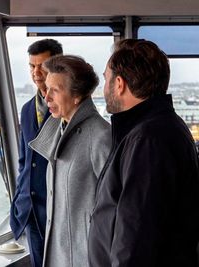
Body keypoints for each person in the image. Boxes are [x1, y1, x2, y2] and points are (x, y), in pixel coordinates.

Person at [88, 39, 199, 267]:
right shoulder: (155, 129)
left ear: (119, 84)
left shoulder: (148, 139)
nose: (104, 87)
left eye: (106, 79)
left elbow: (136, 235)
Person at [29, 55, 111, 267]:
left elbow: (115, 211)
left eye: (54, 91)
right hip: (59, 255)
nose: (46, 98)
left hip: (85, 258)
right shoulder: (58, 129)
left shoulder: (101, 137)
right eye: (46, 89)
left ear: (77, 96)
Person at [10, 39, 62, 267]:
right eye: (32, 66)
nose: (36, 72)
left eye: (42, 65)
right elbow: (24, 160)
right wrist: (18, 198)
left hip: (58, 211)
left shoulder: (67, 108)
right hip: (30, 210)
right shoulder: (27, 109)